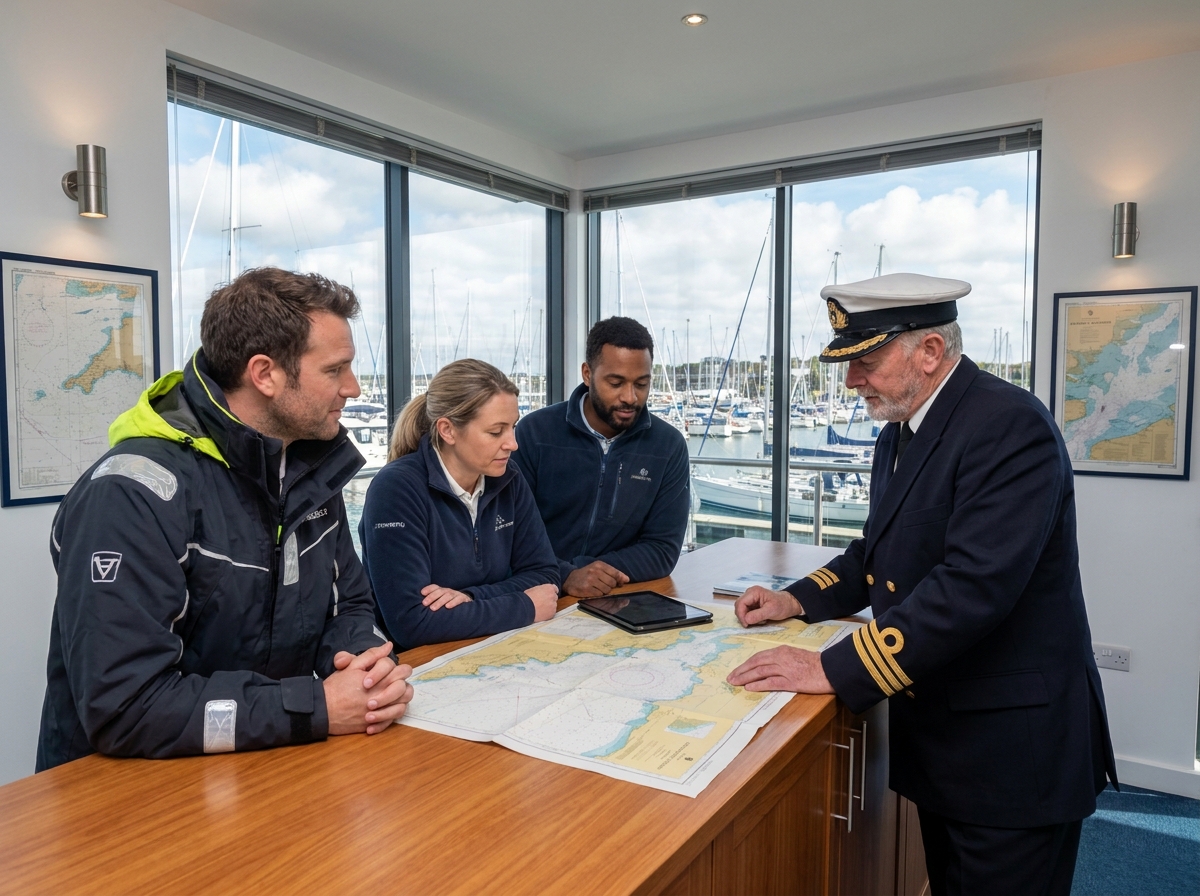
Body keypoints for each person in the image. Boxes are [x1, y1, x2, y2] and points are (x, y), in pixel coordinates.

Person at [726, 273, 1117, 896]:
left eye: (866, 361)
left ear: (930, 351)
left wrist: (832, 667)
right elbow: (877, 552)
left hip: (1011, 752)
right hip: (948, 740)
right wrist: (796, 598)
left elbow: (971, 588)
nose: (851, 381)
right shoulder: (901, 431)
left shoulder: (1009, 426)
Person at [37, 268, 413, 772]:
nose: (353, 387)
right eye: (334, 370)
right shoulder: (130, 494)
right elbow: (124, 708)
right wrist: (316, 706)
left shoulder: (309, 472)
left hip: (266, 769)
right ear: (265, 375)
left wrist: (364, 670)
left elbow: (351, 605)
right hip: (127, 806)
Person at [360, 359, 560, 648]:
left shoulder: (509, 479)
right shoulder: (395, 489)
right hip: (420, 666)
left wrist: (470, 598)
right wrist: (525, 607)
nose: (512, 444)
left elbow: (545, 576)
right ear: (448, 430)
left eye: (513, 427)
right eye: (496, 432)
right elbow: (411, 623)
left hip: (491, 646)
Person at [511, 317, 689, 597]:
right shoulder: (535, 433)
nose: (630, 397)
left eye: (641, 384)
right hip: (536, 593)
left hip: (615, 597)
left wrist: (591, 573)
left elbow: (662, 550)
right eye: (616, 383)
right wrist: (566, 574)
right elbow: (511, 534)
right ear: (587, 373)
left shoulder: (668, 445)